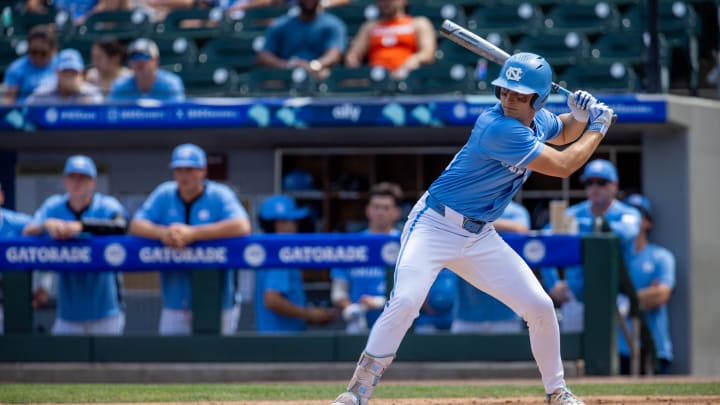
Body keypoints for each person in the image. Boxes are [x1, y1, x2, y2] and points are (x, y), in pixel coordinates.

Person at [331, 52, 616, 405]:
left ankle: (557, 391)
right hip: (434, 225)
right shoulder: (498, 127)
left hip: (479, 235)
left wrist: (579, 116)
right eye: (505, 92)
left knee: (540, 306)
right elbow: (563, 165)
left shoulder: (537, 120)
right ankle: (358, 390)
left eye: (519, 94)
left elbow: (561, 133)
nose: (509, 99)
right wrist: (597, 127)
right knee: (405, 300)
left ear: (537, 100)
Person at [128, 143, 251, 335]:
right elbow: (136, 225)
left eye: (190, 170)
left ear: (203, 171)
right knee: (172, 359)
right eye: (179, 170)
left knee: (216, 359)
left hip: (218, 300)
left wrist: (193, 234)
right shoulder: (165, 193)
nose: (184, 176)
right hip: (175, 299)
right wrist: (164, 233)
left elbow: (242, 225)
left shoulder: (219, 194)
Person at [22, 155, 128, 335]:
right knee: (63, 361)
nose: (77, 182)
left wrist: (82, 226)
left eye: (83, 177)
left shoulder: (105, 205)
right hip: (67, 314)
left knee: (109, 362)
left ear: (93, 182)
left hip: (106, 310)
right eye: (72, 177)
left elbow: (122, 225)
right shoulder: (54, 206)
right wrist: (47, 224)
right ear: (65, 180)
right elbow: (27, 230)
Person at [543, 159, 642, 331]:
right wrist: (552, 283)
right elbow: (545, 241)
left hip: (614, 296)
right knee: (571, 354)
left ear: (615, 185)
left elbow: (626, 232)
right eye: (589, 182)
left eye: (601, 182)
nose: (594, 188)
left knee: (607, 353)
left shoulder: (627, 213)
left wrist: (582, 225)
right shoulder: (573, 213)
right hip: (575, 296)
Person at [255, 194, 337, 333]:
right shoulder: (281, 251)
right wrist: (310, 314)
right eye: (292, 221)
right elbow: (272, 300)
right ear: (279, 223)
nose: (296, 225)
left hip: (275, 337)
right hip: (281, 342)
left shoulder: (270, 248)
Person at [330, 182, 402, 334]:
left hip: (396, 324)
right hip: (358, 322)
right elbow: (339, 289)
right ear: (368, 210)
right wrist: (349, 308)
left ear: (396, 212)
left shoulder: (405, 243)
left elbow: (415, 290)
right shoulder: (353, 243)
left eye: (386, 208)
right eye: (376, 207)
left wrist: (379, 302)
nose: (380, 212)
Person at [451, 200, 531, 334]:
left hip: (506, 313)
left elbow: (521, 229)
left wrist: (474, 224)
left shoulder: (515, 211)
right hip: (467, 313)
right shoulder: (462, 205)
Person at [618, 194, 675, 375]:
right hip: (621, 348)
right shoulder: (616, 257)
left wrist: (626, 301)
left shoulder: (660, 256)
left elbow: (661, 295)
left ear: (648, 222)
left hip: (655, 346)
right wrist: (645, 295)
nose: (633, 219)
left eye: (639, 214)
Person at [344, 0, 435, 80]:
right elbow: (353, 54)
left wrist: (412, 61)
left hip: (407, 76)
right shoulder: (370, 27)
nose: (385, 3)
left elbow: (427, 54)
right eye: (381, 0)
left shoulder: (418, 24)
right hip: (376, 78)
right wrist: (354, 64)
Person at [256, 0, 347, 80]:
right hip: (287, 76)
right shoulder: (281, 25)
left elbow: (335, 54)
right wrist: (287, 65)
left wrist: (314, 65)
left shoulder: (333, 25)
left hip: (319, 74)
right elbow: (264, 56)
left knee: (325, 74)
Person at [0, 182, 34, 335]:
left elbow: (48, 245)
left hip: (10, 305)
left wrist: (44, 286)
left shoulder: (20, 223)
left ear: (1, 196)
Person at [108, 38, 186, 102]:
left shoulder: (170, 84)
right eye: (134, 57)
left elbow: (177, 113)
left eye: (144, 56)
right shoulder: (120, 86)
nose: (139, 61)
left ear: (156, 61)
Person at [2, 24, 58, 104]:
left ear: (53, 50)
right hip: (24, 113)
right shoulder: (16, 68)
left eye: (43, 53)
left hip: (56, 113)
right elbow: (9, 100)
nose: (38, 57)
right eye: (34, 52)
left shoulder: (62, 66)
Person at [26, 49, 104, 105]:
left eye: (73, 72)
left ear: (81, 74)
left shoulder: (91, 94)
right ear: (57, 73)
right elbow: (25, 111)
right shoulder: (42, 94)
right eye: (65, 72)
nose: (69, 77)